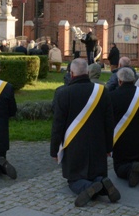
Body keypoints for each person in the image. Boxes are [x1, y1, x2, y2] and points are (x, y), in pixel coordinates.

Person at [51, 58, 120, 207]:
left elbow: (57, 125)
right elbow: (109, 123)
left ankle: (88, 187)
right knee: (97, 173)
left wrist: (54, 150)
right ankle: (101, 182)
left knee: (74, 179)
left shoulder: (64, 93)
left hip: (74, 144)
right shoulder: (102, 92)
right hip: (98, 142)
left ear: (71, 73)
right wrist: (109, 147)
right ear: (88, 73)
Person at [110, 67, 139, 187]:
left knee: (119, 168)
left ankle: (131, 169)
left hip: (120, 139)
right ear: (134, 79)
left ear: (119, 81)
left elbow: (108, 120)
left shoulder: (113, 96)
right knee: (138, 161)